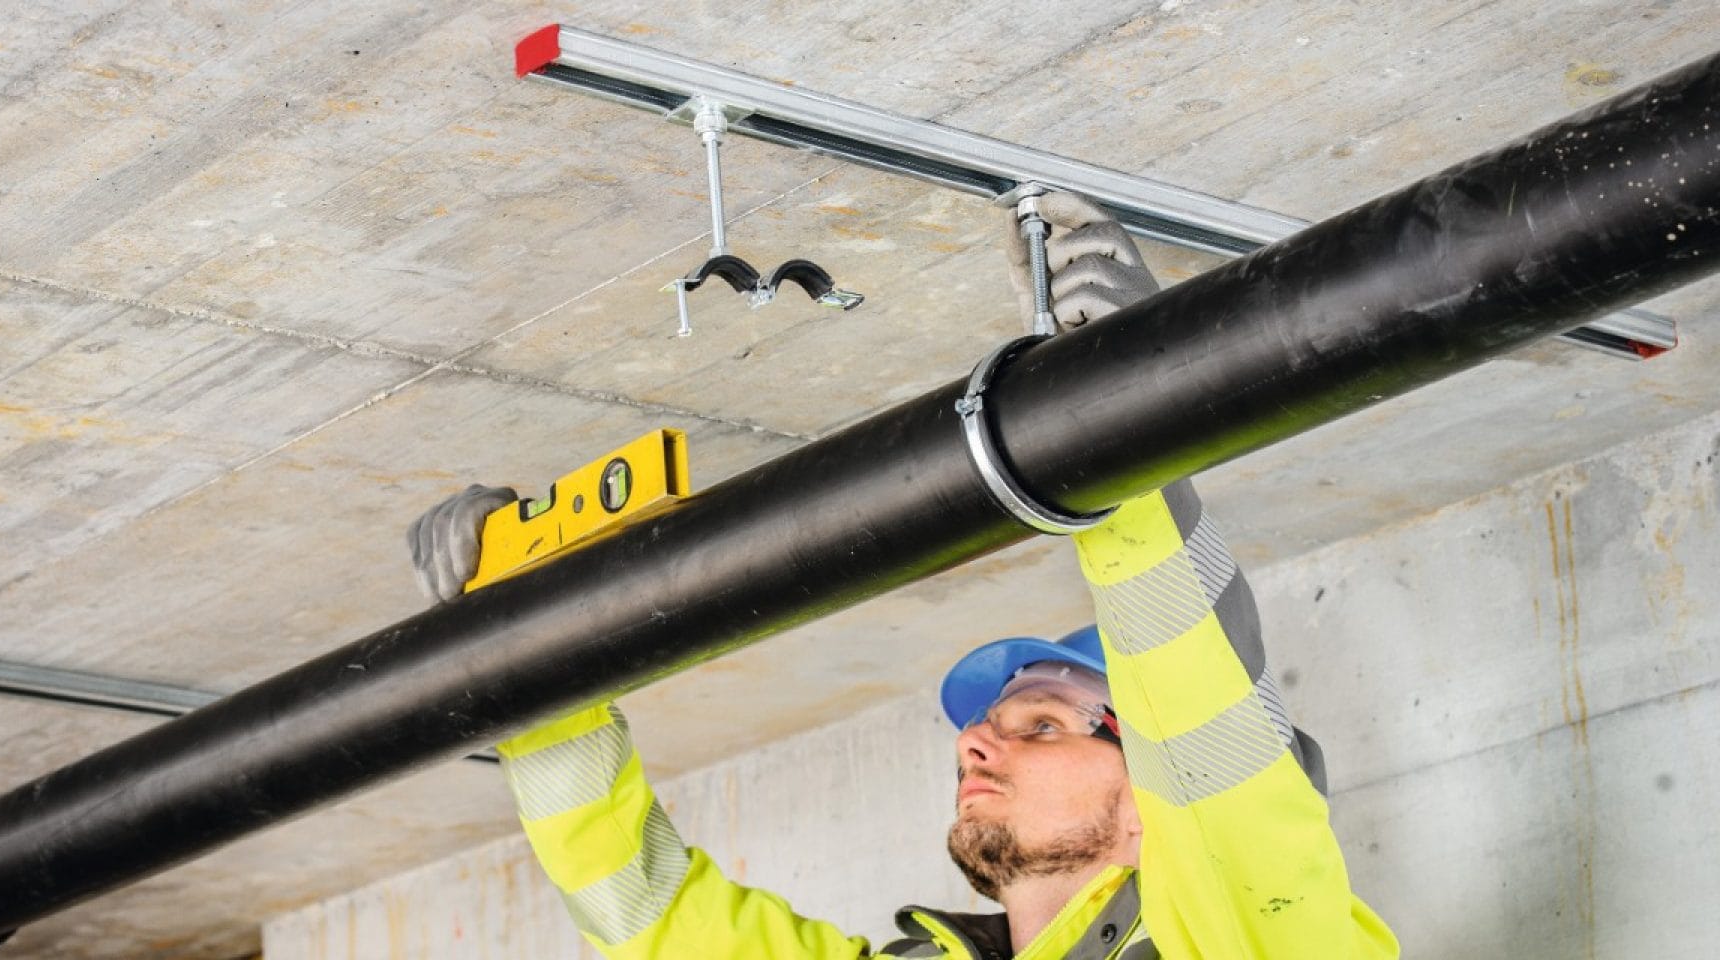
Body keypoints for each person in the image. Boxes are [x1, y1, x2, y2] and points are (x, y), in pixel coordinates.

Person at [407, 193, 1399, 960]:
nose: (974, 741)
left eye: (1041, 722)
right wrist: (528, 671)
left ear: (1155, 799)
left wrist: (1124, 430)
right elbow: (654, 915)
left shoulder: (1259, 935)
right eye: (1016, 720)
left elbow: (1206, 729)